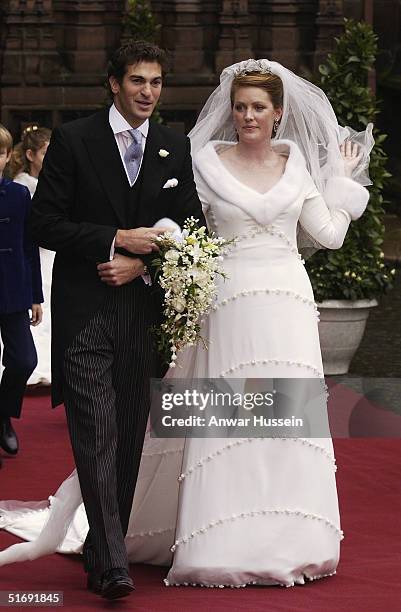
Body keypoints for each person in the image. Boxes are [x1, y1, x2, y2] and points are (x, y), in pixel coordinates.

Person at [0, 59, 373, 588]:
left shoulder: (297, 167)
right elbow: (178, 223)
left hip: (287, 307)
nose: (248, 115)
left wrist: (341, 181)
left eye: (258, 108)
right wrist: (145, 254)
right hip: (226, 303)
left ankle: (293, 538)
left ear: (278, 113)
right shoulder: (202, 161)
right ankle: (213, 537)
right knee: (220, 419)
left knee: (285, 417)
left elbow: (330, 234)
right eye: (241, 106)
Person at [1, 41, 204, 600]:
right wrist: (111, 240)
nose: (148, 92)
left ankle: (98, 544)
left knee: (129, 439)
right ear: (113, 83)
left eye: (157, 82)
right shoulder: (74, 140)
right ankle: (113, 560)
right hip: (85, 312)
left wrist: (140, 261)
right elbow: (44, 223)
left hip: (141, 315)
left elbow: (190, 224)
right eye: (138, 80)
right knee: (96, 433)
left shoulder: (172, 146)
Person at [0, 124, 43, 465]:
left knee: (25, 360)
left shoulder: (18, 195)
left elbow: (29, 247)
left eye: (0, 152)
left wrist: (35, 296)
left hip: (13, 289)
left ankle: (3, 415)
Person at [8, 125, 52, 385]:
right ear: (30, 155)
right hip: (34, 253)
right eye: (46, 153)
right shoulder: (21, 186)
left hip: (53, 254)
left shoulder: (53, 184)